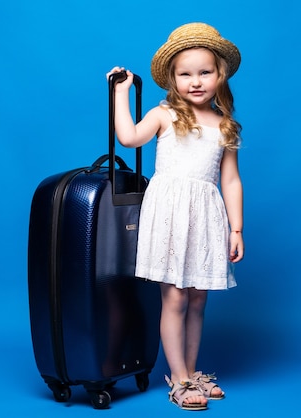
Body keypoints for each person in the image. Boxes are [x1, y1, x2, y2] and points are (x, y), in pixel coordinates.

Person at [106, 22, 244, 411]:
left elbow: (230, 180)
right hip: (169, 214)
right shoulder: (165, 114)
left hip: (205, 217)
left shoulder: (225, 125)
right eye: (186, 74)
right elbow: (129, 138)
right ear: (172, 78)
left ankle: (192, 371)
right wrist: (121, 95)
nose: (196, 82)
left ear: (220, 75)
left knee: (198, 298)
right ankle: (179, 378)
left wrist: (236, 228)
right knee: (175, 299)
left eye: (205, 72)